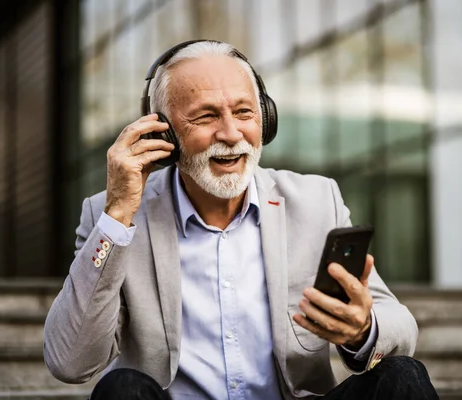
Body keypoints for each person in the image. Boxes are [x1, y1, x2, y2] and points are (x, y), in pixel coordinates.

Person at [43, 40, 438, 399]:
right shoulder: (112, 215)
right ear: (163, 132)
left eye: (244, 112)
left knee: (402, 376)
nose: (231, 134)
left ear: (265, 117)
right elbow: (70, 362)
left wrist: (362, 329)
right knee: (121, 388)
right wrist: (117, 216)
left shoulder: (316, 201)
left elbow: (400, 326)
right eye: (206, 117)